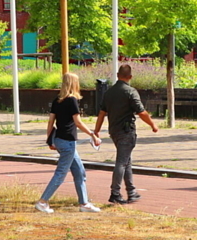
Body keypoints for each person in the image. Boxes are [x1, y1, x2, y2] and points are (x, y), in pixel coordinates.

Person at [35, 72, 102, 214]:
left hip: (59, 140)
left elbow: (51, 122)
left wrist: (50, 140)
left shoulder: (57, 100)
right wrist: (92, 134)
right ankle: (43, 201)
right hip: (68, 142)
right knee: (60, 173)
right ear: (74, 84)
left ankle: (84, 203)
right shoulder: (72, 100)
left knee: (79, 172)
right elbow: (77, 122)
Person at [93, 64, 159, 205]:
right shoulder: (130, 91)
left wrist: (96, 130)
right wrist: (153, 125)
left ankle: (131, 191)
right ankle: (115, 193)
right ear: (130, 77)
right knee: (122, 162)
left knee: (126, 161)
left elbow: (102, 113)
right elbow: (141, 112)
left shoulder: (109, 92)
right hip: (126, 131)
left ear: (117, 75)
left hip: (114, 131)